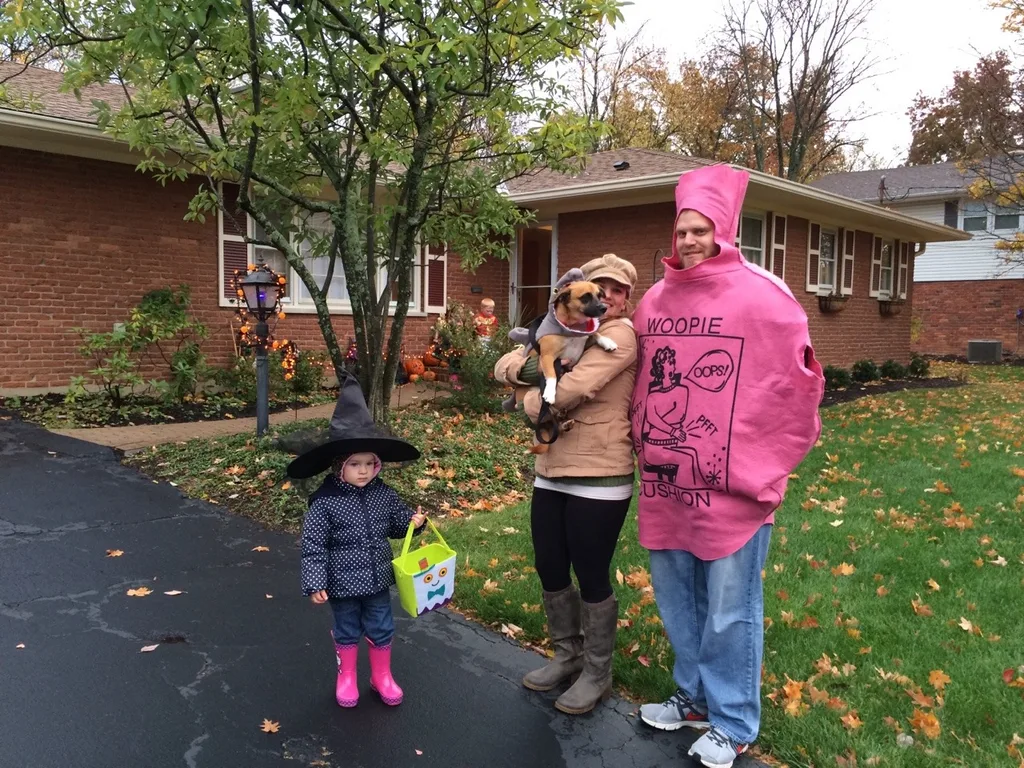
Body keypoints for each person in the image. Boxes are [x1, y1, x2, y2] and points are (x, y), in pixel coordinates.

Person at [632, 165, 824, 768]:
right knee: (678, 604)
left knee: (730, 611)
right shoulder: (655, 301)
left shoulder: (765, 297)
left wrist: (767, 469)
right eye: (681, 230)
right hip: (666, 487)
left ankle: (734, 721)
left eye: (699, 230)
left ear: (725, 230)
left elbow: (795, 389)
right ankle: (692, 699)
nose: (687, 240)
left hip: (734, 497)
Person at [494, 253, 638, 715]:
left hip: (600, 471)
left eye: (616, 291)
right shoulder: (562, 324)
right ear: (577, 292)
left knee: (591, 570)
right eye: (599, 288)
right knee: (550, 564)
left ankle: (597, 672)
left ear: (626, 298)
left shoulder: (619, 335)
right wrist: (521, 369)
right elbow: (507, 362)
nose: (606, 298)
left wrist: (525, 396)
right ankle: (567, 654)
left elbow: (573, 389)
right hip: (553, 468)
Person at [288, 371, 426, 709]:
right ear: (339, 468)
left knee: (381, 626)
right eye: (355, 464)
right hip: (341, 584)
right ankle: (346, 675)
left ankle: (381, 676)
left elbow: (396, 525)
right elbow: (314, 545)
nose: (363, 471)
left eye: (369, 464)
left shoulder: (384, 495)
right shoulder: (325, 502)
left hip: (378, 581)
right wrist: (315, 581)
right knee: (347, 628)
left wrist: (414, 524)